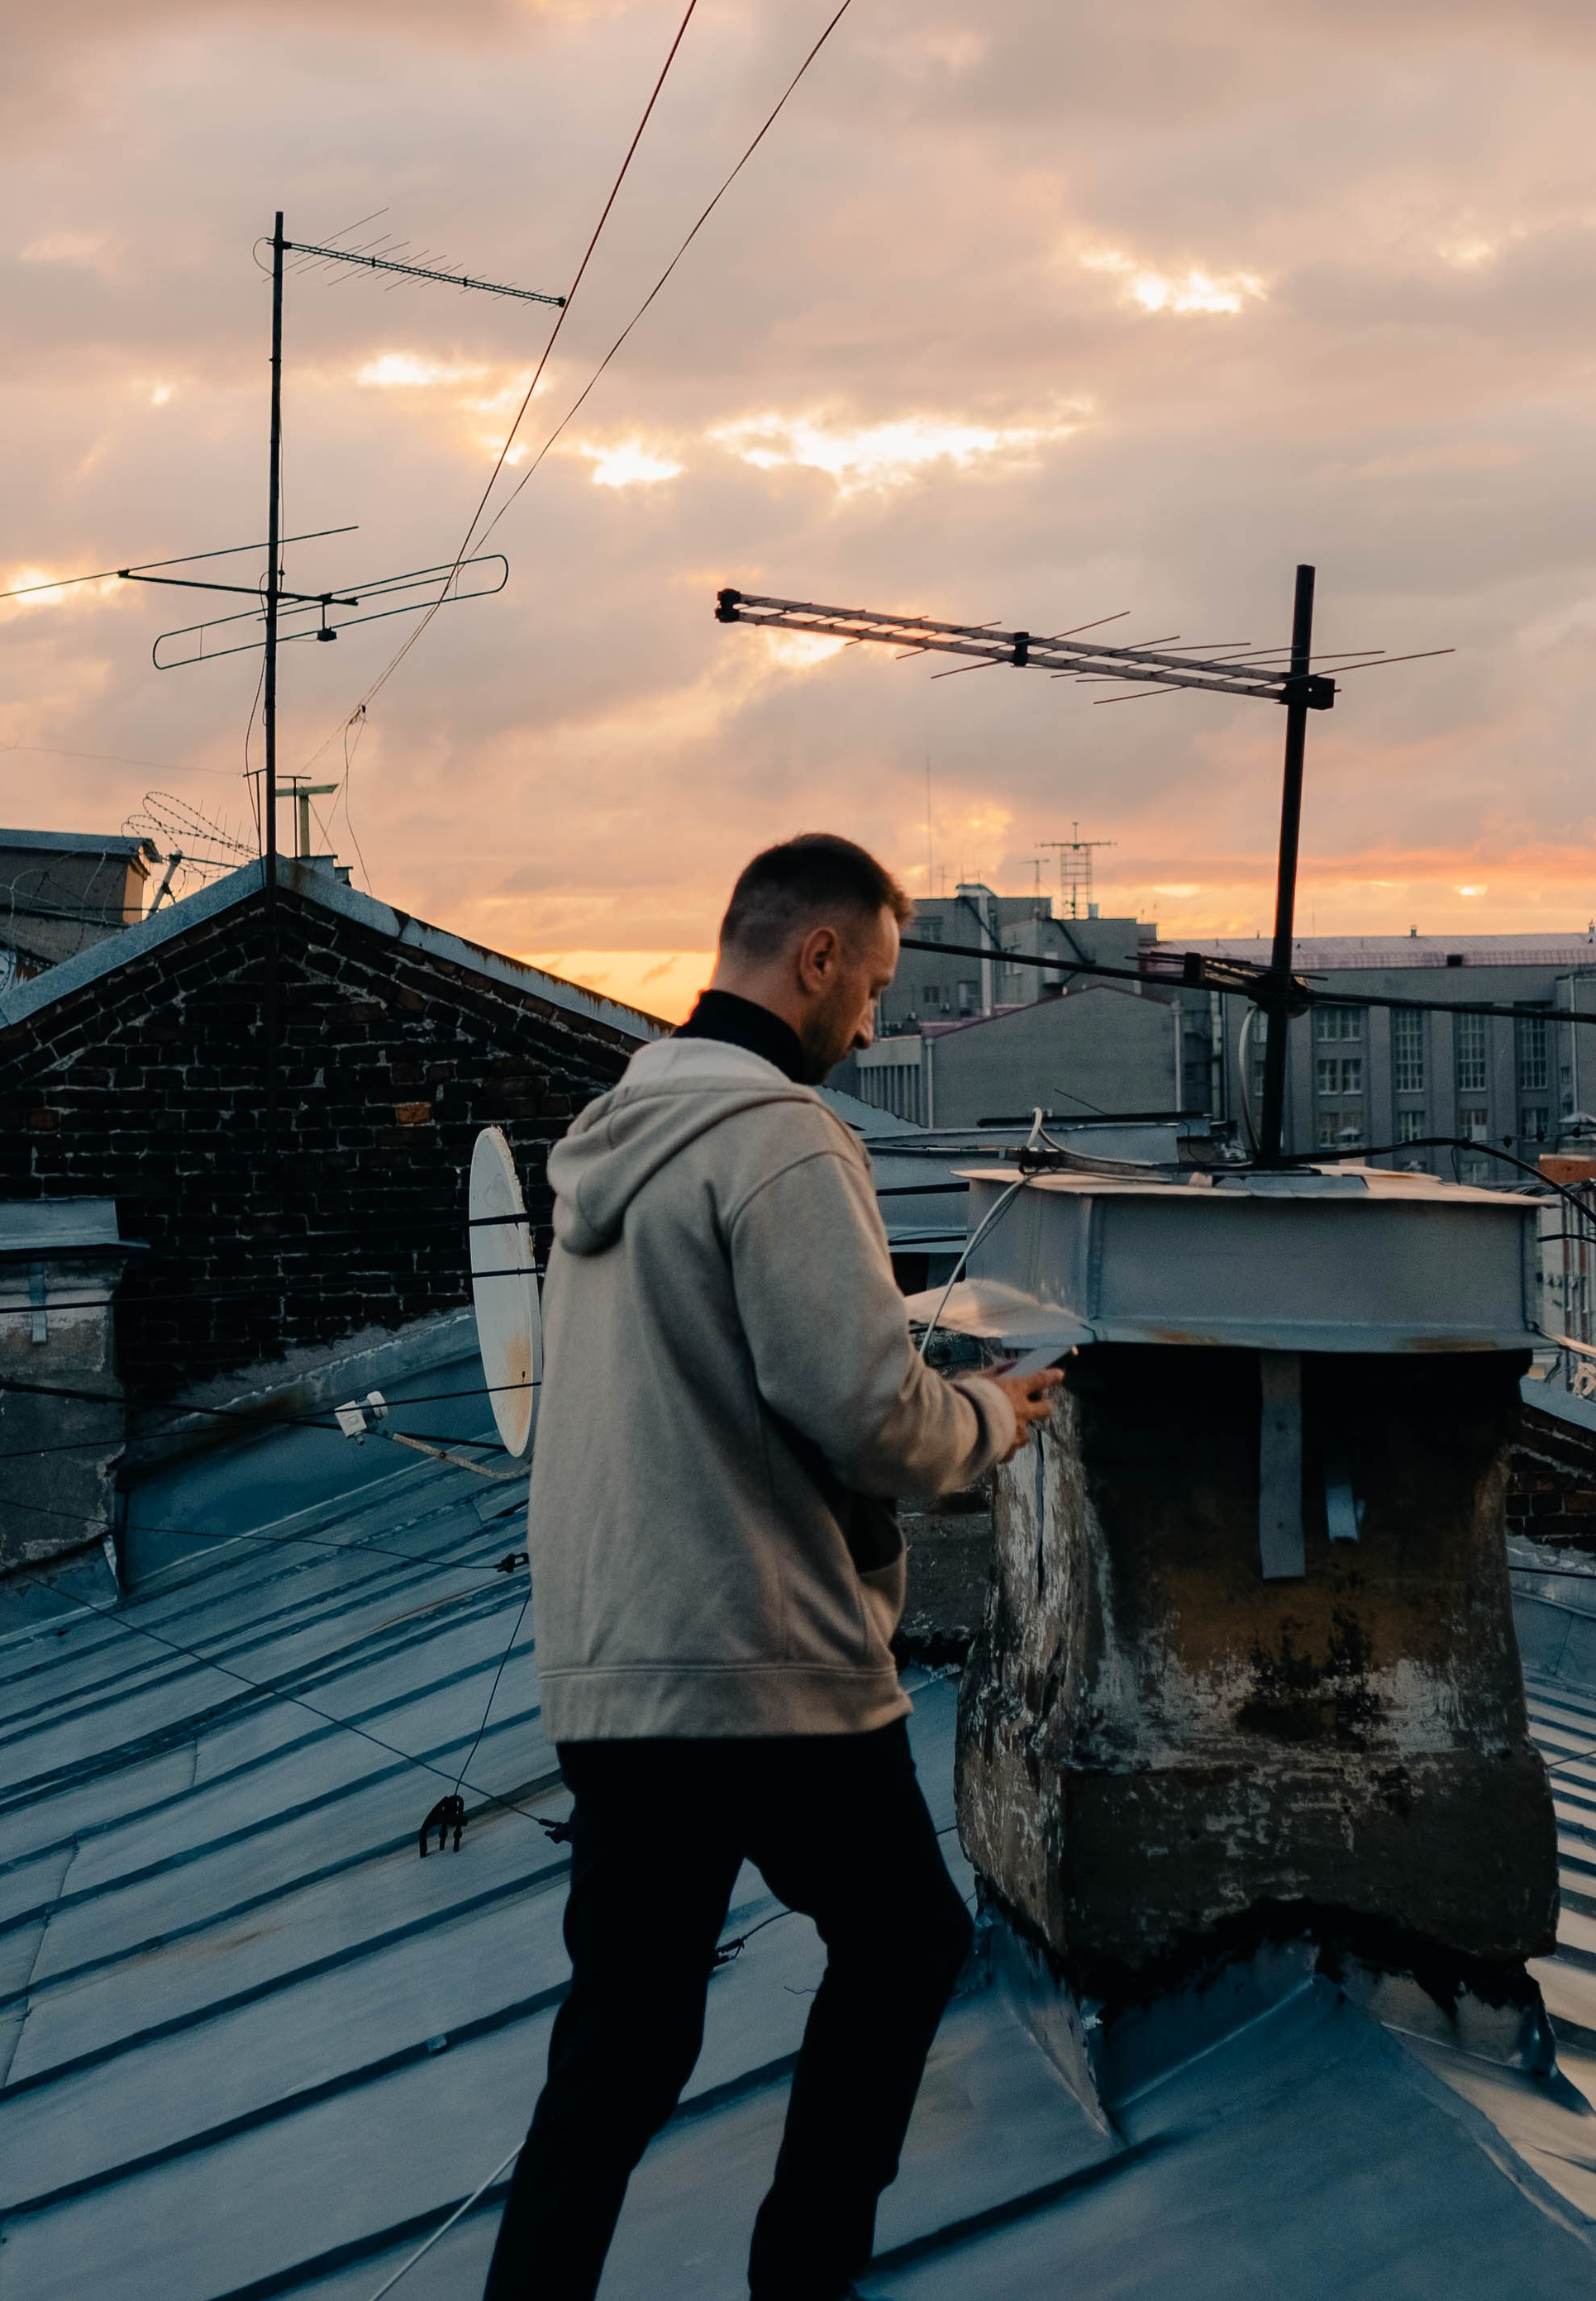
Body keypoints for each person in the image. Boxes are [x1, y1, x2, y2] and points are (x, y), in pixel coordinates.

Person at [483, 832, 1063, 2301]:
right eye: (867, 988)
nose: (870, 1025)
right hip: (767, 1664)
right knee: (909, 1946)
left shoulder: (624, 1122)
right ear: (814, 959)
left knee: (617, 2053)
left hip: (619, 1669)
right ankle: (799, 2285)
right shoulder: (785, 1139)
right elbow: (865, 1414)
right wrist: (993, 1415)